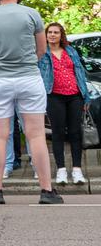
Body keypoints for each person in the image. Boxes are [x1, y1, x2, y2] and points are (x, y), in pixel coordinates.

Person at [0, 0, 62, 205]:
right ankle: (46, 190)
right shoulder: (31, 14)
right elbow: (41, 50)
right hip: (28, 78)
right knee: (35, 135)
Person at [39, 22, 90, 185]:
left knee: (75, 133)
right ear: (46, 35)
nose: (53, 35)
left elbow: (80, 73)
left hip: (75, 96)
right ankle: (61, 170)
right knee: (57, 133)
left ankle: (77, 170)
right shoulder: (42, 53)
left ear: (61, 35)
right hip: (54, 97)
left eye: (56, 32)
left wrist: (85, 97)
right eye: (50, 32)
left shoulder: (71, 51)